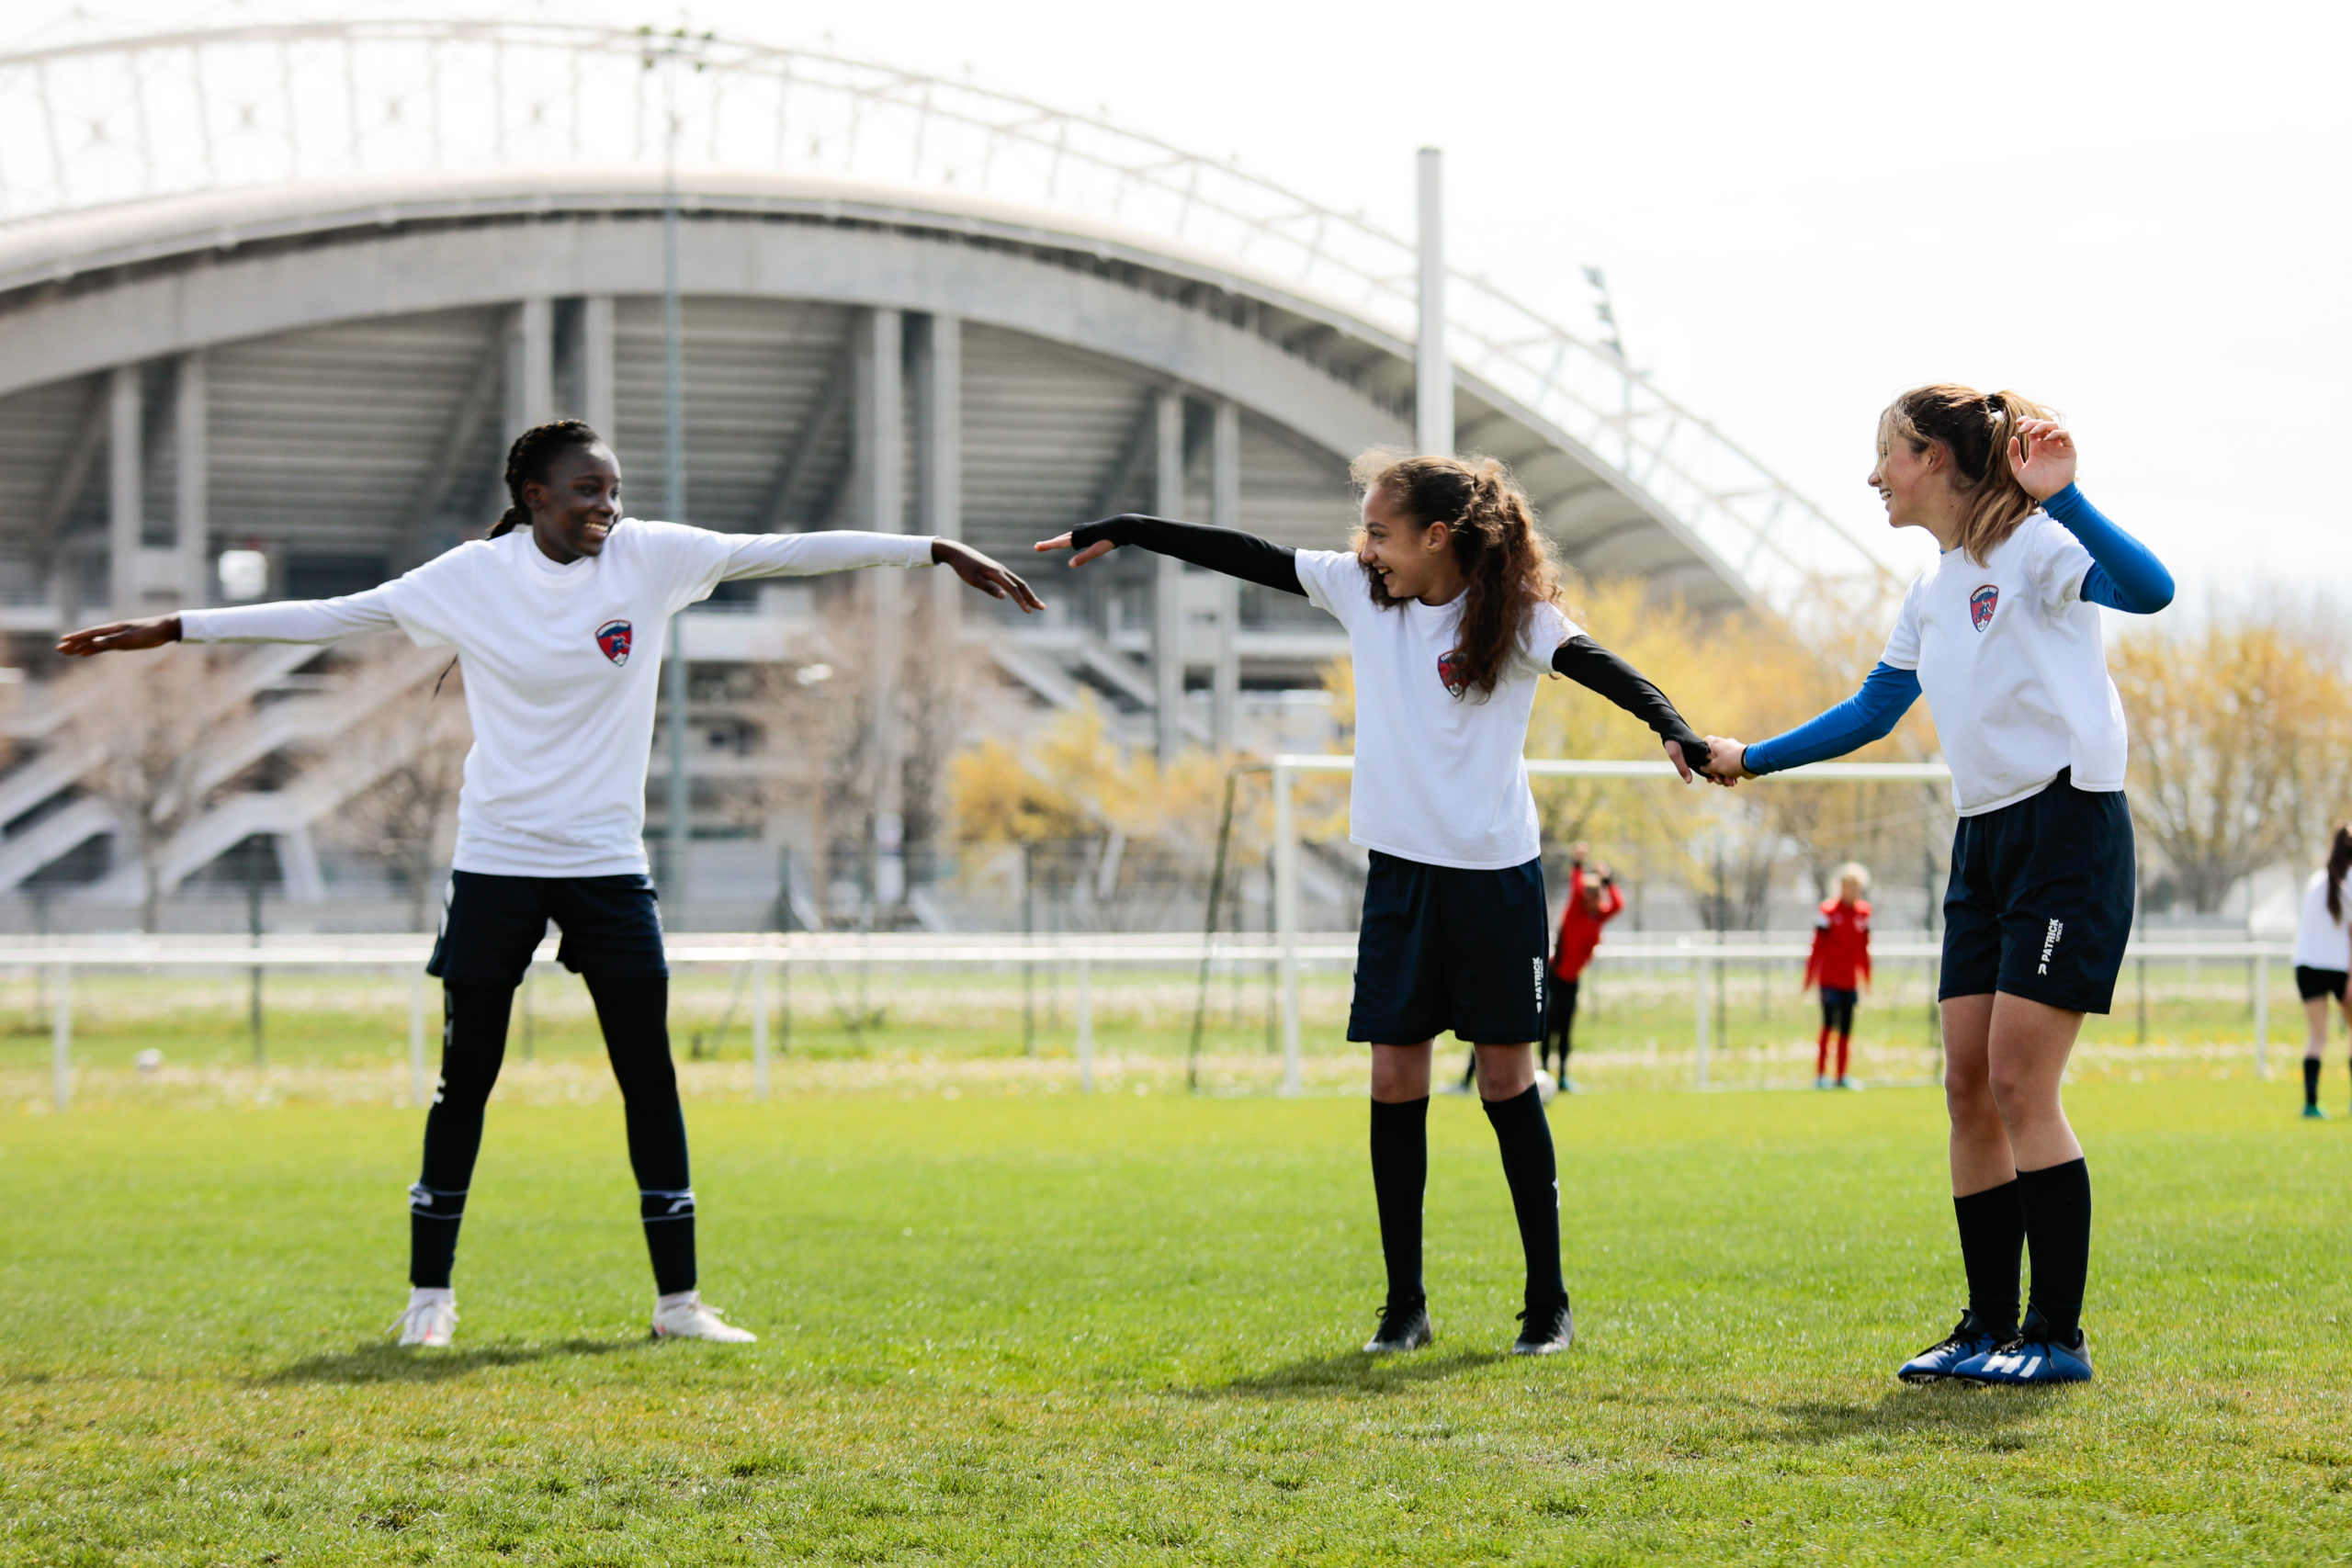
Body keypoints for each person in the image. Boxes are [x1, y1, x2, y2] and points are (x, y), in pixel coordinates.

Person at [57, 419, 1043, 1348]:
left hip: (609, 867)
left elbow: (779, 549)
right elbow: (331, 614)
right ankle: (429, 1302)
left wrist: (928, 548)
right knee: (466, 1085)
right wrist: (175, 627)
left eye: (611, 490)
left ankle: (679, 1304)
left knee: (648, 1080)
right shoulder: (472, 578)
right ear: (532, 496)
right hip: (497, 862)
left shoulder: (651, 558)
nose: (603, 507)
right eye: (582, 491)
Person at [1035, 450, 1709, 1358]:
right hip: (1400, 877)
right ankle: (1404, 1307)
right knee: (1394, 1081)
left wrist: (1673, 727)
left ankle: (1546, 1305)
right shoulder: (1361, 593)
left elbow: (1602, 667)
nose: (1368, 548)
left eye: (1381, 533)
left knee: (1507, 1081)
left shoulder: (1516, 619)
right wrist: (1127, 527)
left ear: (1438, 537)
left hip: (1495, 878)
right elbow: (1250, 555)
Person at [1700, 387, 2173, 1386]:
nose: (1875, 476)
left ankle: (2056, 1336)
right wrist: (1752, 757)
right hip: (1985, 842)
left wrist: (2069, 498)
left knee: (2017, 1082)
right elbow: (1875, 709)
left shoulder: (2041, 548)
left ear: (1938, 459)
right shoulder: (1932, 590)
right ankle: (1987, 1327)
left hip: (2066, 830)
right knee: (1964, 1085)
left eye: (1889, 455)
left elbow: (2152, 590)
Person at [1458, 843, 1621, 1095]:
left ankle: (1562, 1076)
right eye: (1589, 893)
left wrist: (1608, 880)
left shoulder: (1597, 916)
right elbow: (1576, 887)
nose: (1592, 898)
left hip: (1571, 980)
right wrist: (1578, 863)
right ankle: (1540, 1071)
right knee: (1545, 1026)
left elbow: (1618, 904)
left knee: (1565, 1029)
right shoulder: (1577, 910)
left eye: (1596, 894)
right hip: (1553, 976)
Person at [2291, 825, 2352, 1119]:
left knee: (2317, 1037)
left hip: (2306, 965)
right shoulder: (2350, 881)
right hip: (2339, 966)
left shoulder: (2317, 880)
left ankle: (2311, 1103)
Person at [1804, 863, 1872, 1089]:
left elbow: (1864, 949)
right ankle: (1820, 1075)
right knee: (1827, 1026)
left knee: (1845, 1028)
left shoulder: (1864, 912)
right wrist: (1809, 977)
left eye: (1857, 887)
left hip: (1849, 982)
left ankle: (1841, 1075)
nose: (1853, 891)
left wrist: (1867, 978)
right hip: (1829, 980)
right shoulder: (1827, 912)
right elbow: (1817, 947)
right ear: (1841, 886)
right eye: (1849, 886)